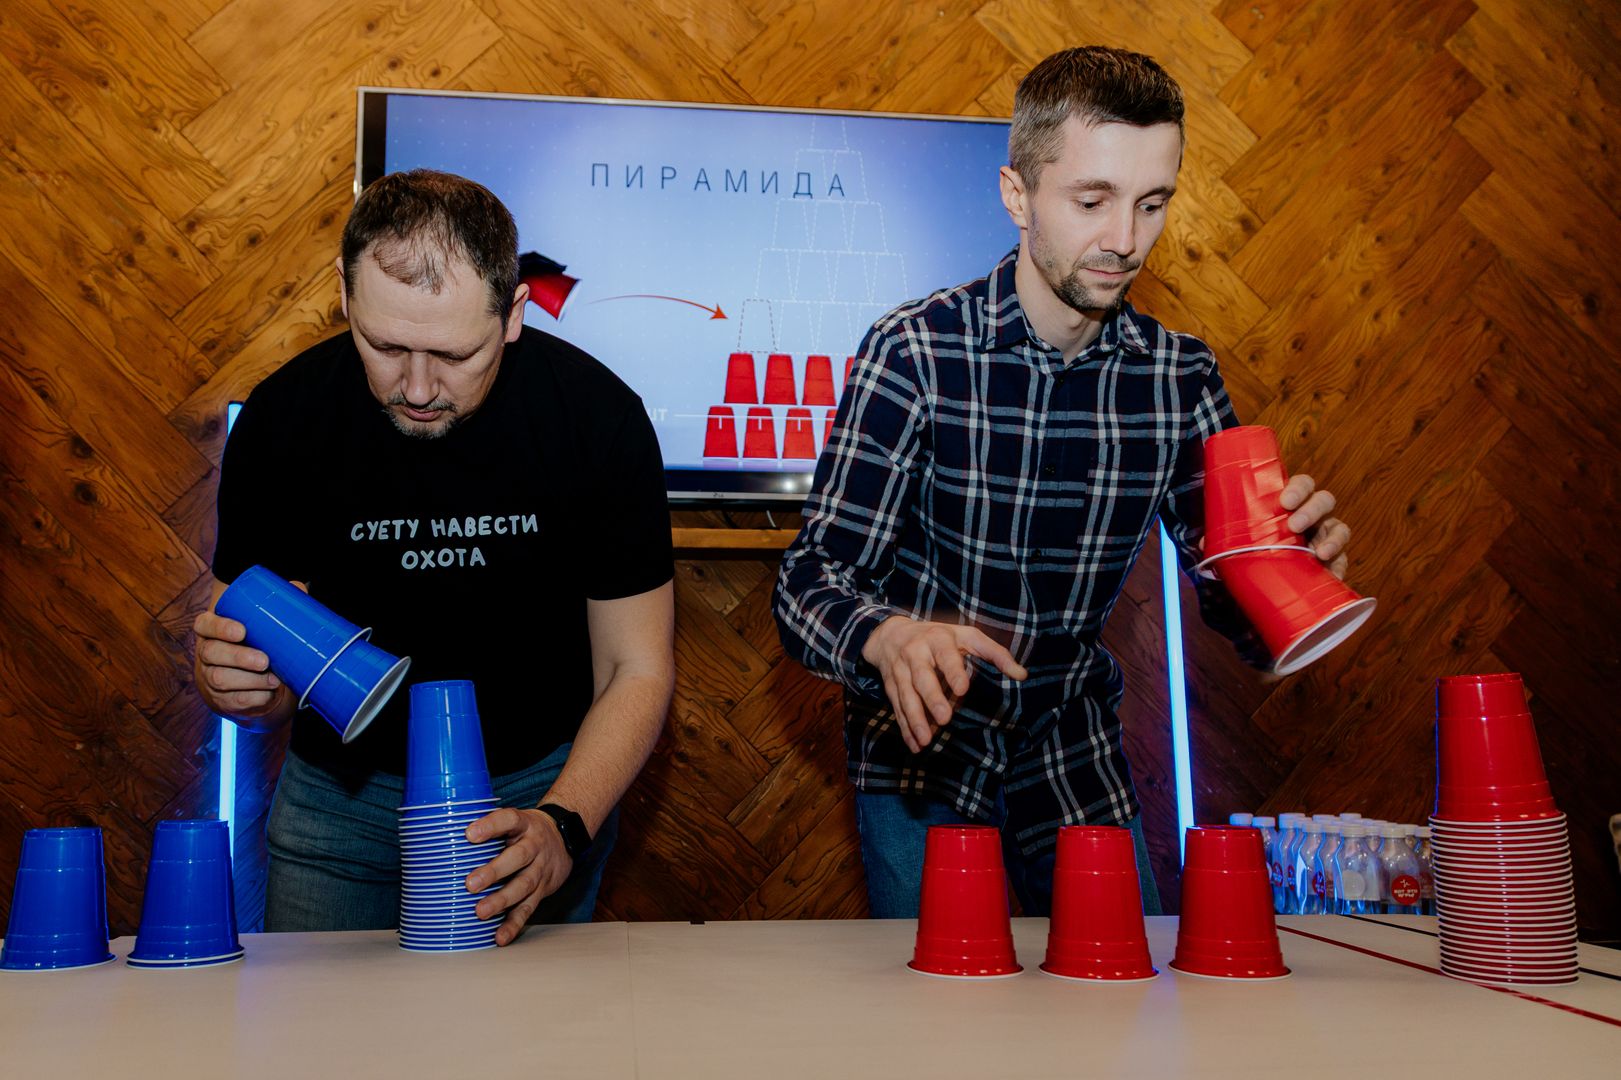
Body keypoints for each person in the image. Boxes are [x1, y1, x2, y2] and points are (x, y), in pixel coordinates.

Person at [773, 47, 1352, 918]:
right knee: (934, 1000)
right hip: (922, 749)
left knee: (1122, 992)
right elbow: (809, 579)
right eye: (1092, 201)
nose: (1124, 239)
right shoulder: (916, 351)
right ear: (1017, 195)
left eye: (1151, 203)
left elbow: (1235, 606)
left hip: (1073, 748)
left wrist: (1289, 581)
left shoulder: (1179, 378)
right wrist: (885, 637)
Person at [193, 169, 676, 943]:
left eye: (454, 354)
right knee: (320, 1024)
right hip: (339, 805)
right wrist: (240, 686)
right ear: (344, 295)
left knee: (531, 1026)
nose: (417, 389)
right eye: (385, 346)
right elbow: (268, 673)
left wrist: (563, 821)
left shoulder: (596, 417)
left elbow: (636, 668)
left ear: (513, 314)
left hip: (537, 793)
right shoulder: (285, 416)